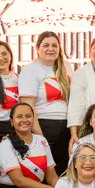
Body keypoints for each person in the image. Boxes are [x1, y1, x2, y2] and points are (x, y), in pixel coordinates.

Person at [19, 31, 72, 173]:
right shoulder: (30, 71)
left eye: (54, 45)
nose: (50, 49)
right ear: (37, 49)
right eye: (46, 45)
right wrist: (40, 138)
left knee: (64, 172)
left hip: (66, 127)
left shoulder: (67, 67)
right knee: (47, 173)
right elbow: (28, 109)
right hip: (44, 126)